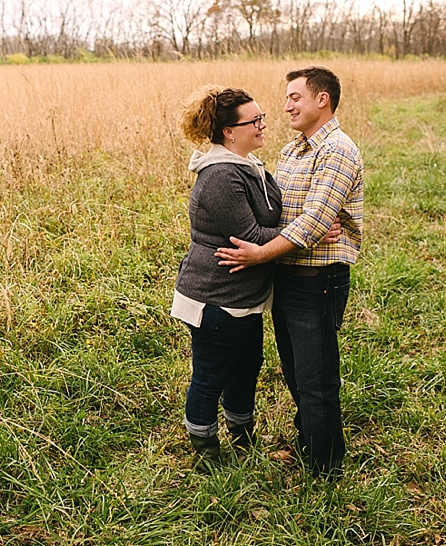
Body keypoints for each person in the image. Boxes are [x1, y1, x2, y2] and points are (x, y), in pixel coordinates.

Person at [215, 66, 364, 478]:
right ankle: (309, 443)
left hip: (317, 280)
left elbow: (315, 220)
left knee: (316, 377)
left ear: (323, 99)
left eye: (295, 97)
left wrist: (262, 253)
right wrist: (306, 227)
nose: (286, 106)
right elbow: (283, 212)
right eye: (286, 98)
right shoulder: (293, 150)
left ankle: (325, 466)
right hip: (288, 276)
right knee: (296, 371)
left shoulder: (337, 150)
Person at [172, 85, 282, 468]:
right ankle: (205, 450)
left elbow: (272, 223)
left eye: (262, 116)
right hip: (215, 297)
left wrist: (300, 227)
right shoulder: (221, 177)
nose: (263, 124)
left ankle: (242, 431)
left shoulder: (250, 167)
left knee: (247, 366)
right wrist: (309, 233)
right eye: (255, 120)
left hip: (243, 296)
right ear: (229, 132)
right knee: (211, 376)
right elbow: (250, 237)